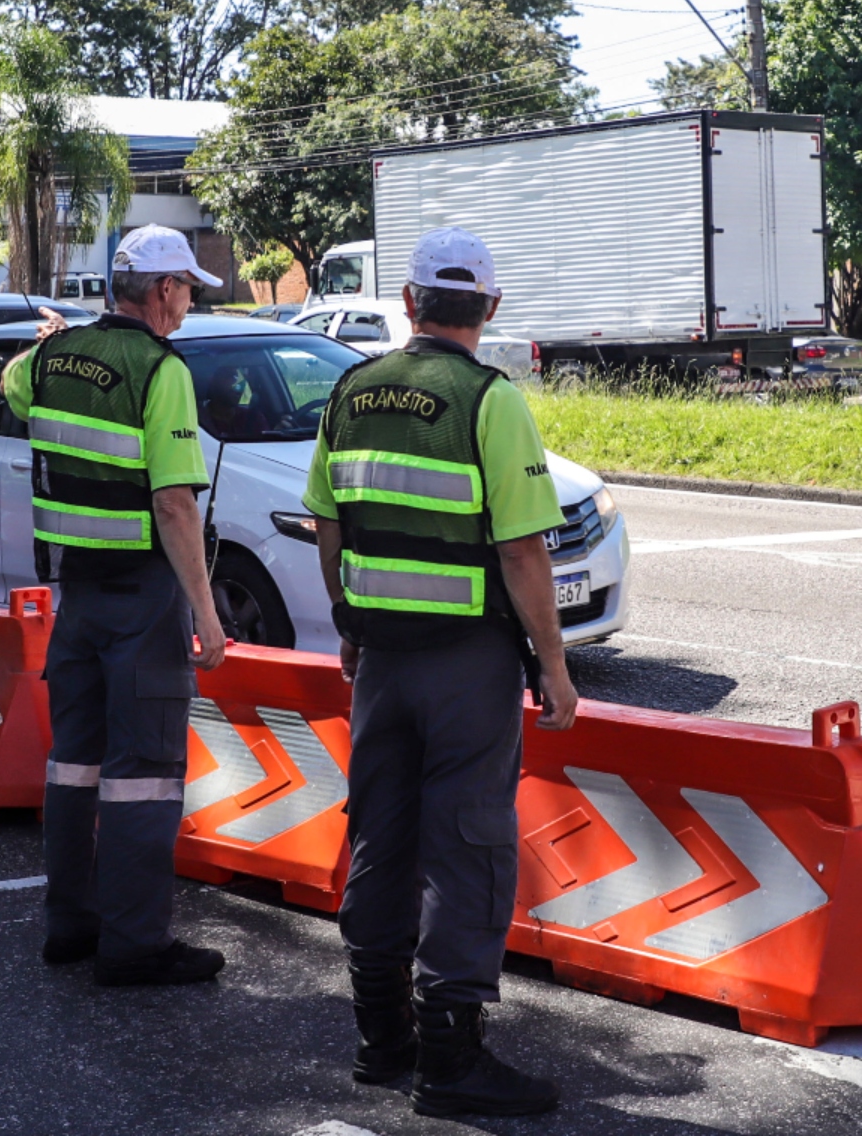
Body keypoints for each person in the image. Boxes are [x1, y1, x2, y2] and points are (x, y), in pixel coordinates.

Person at [303, 227, 579, 1118]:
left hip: (381, 660)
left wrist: (349, 622)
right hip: (467, 664)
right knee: (466, 846)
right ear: (489, 307)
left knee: (381, 835)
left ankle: (382, 1042)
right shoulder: (488, 400)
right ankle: (452, 1061)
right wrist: (555, 663)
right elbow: (525, 549)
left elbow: (330, 522)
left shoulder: (350, 388)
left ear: (412, 303)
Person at [0, 224, 229, 987]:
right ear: (161, 292)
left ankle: (70, 925)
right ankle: (134, 944)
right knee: (144, 774)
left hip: (80, 597)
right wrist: (206, 608)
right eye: (188, 287)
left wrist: (46, 343)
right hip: (142, 601)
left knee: (74, 766)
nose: (190, 300)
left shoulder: (53, 358)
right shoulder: (160, 369)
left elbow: (12, 384)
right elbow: (173, 505)